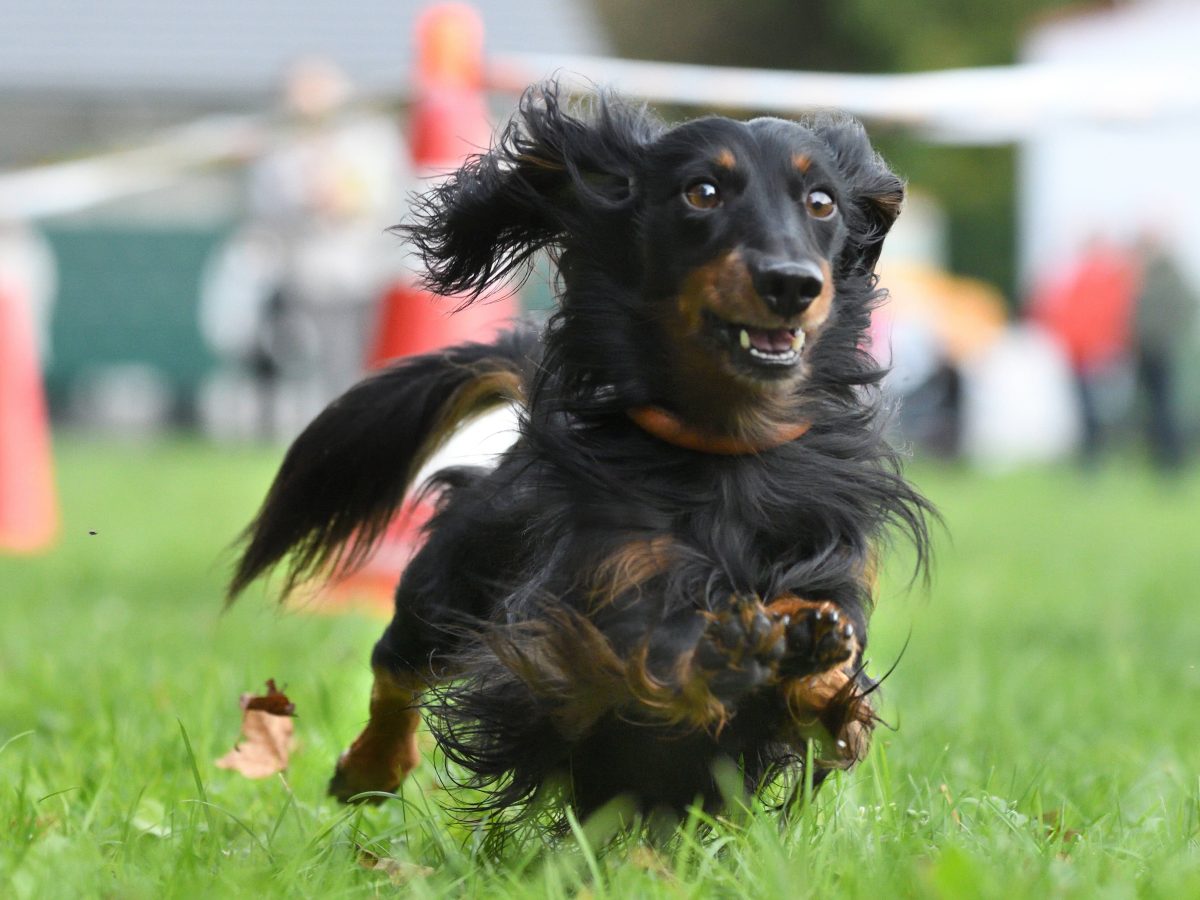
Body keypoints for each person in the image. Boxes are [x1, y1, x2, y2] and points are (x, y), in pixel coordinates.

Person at [1132, 233, 1198, 470]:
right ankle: (1157, 455)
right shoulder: (1143, 276)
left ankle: (1171, 457)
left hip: (1163, 348)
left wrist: (1169, 332)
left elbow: (1187, 305)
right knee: (1151, 405)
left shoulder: (1168, 275)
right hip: (1146, 349)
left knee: (1165, 406)